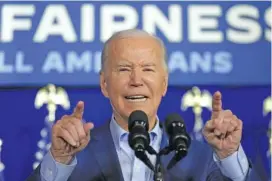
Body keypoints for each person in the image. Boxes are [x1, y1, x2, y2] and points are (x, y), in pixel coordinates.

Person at [26, 29, 262, 181]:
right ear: (104, 84)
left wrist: (230, 155)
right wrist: (58, 160)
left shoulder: (200, 158)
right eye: (124, 69)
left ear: (164, 83)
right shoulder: (74, 156)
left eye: (147, 69)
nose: (136, 80)